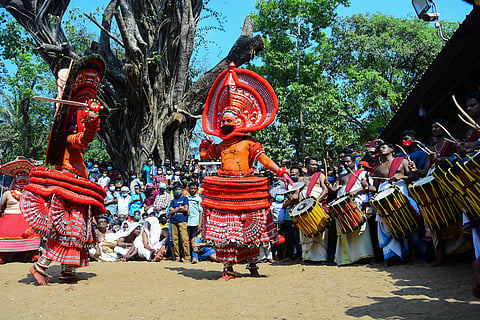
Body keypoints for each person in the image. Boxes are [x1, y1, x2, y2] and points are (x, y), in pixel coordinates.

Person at [199, 63, 290, 280]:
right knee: (227, 230)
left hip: (247, 187)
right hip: (224, 189)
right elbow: (205, 156)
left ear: (240, 121)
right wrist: (204, 146)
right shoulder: (221, 145)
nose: (225, 123)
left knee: (253, 227)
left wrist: (281, 172)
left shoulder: (249, 143)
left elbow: (264, 160)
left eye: (229, 120)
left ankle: (253, 266)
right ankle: (228, 269)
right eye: (223, 121)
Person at [21, 55, 106, 285]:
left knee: (78, 230)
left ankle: (68, 270)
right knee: (70, 229)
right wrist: (91, 123)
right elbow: (83, 139)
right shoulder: (69, 139)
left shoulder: (74, 142)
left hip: (76, 186)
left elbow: (86, 137)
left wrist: (92, 119)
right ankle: (41, 266)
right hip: (69, 187)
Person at [371, 142, 419, 265]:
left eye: (383, 147)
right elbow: (375, 188)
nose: (381, 150)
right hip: (384, 199)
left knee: (409, 222)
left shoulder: (402, 161)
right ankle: (390, 257)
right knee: (387, 225)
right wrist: (366, 187)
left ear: (391, 149)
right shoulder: (378, 169)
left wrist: (401, 177)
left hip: (402, 194)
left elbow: (413, 176)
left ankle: (413, 257)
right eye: (379, 149)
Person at [334, 154, 374, 265]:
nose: (346, 164)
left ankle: (364, 256)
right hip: (342, 205)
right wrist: (328, 185)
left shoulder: (362, 174)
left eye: (348, 162)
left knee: (361, 230)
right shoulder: (341, 177)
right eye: (344, 162)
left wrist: (355, 192)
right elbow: (334, 189)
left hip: (357, 204)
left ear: (354, 162)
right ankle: (348, 257)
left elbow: (366, 187)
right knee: (345, 230)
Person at [0, 159, 41, 264]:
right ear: (15, 182)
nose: (22, 184)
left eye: (24, 182)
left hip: (26, 217)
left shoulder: (30, 193)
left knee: (35, 229)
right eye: (20, 182)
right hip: (9, 216)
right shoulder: (8, 193)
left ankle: (33, 254)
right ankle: (2, 255)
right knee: (3, 228)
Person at [298, 157, 329, 262]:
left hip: (317, 207)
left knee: (319, 230)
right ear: (306, 165)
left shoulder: (320, 176)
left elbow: (325, 190)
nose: (315, 166)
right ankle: (306, 257)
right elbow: (296, 194)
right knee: (306, 230)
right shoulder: (301, 179)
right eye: (312, 164)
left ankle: (320, 257)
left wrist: (315, 203)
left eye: (316, 164)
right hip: (304, 210)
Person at [168, 182, 190, 262]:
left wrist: (175, 209)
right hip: (173, 221)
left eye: (179, 189)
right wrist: (178, 208)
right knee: (175, 240)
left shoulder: (185, 198)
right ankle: (177, 257)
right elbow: (170, 211)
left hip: (182, 221)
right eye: (176, 189)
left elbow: (185, 209)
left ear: (182, 190)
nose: (177, 191)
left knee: (184, 239)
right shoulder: (173, 200)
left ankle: (187, 257)